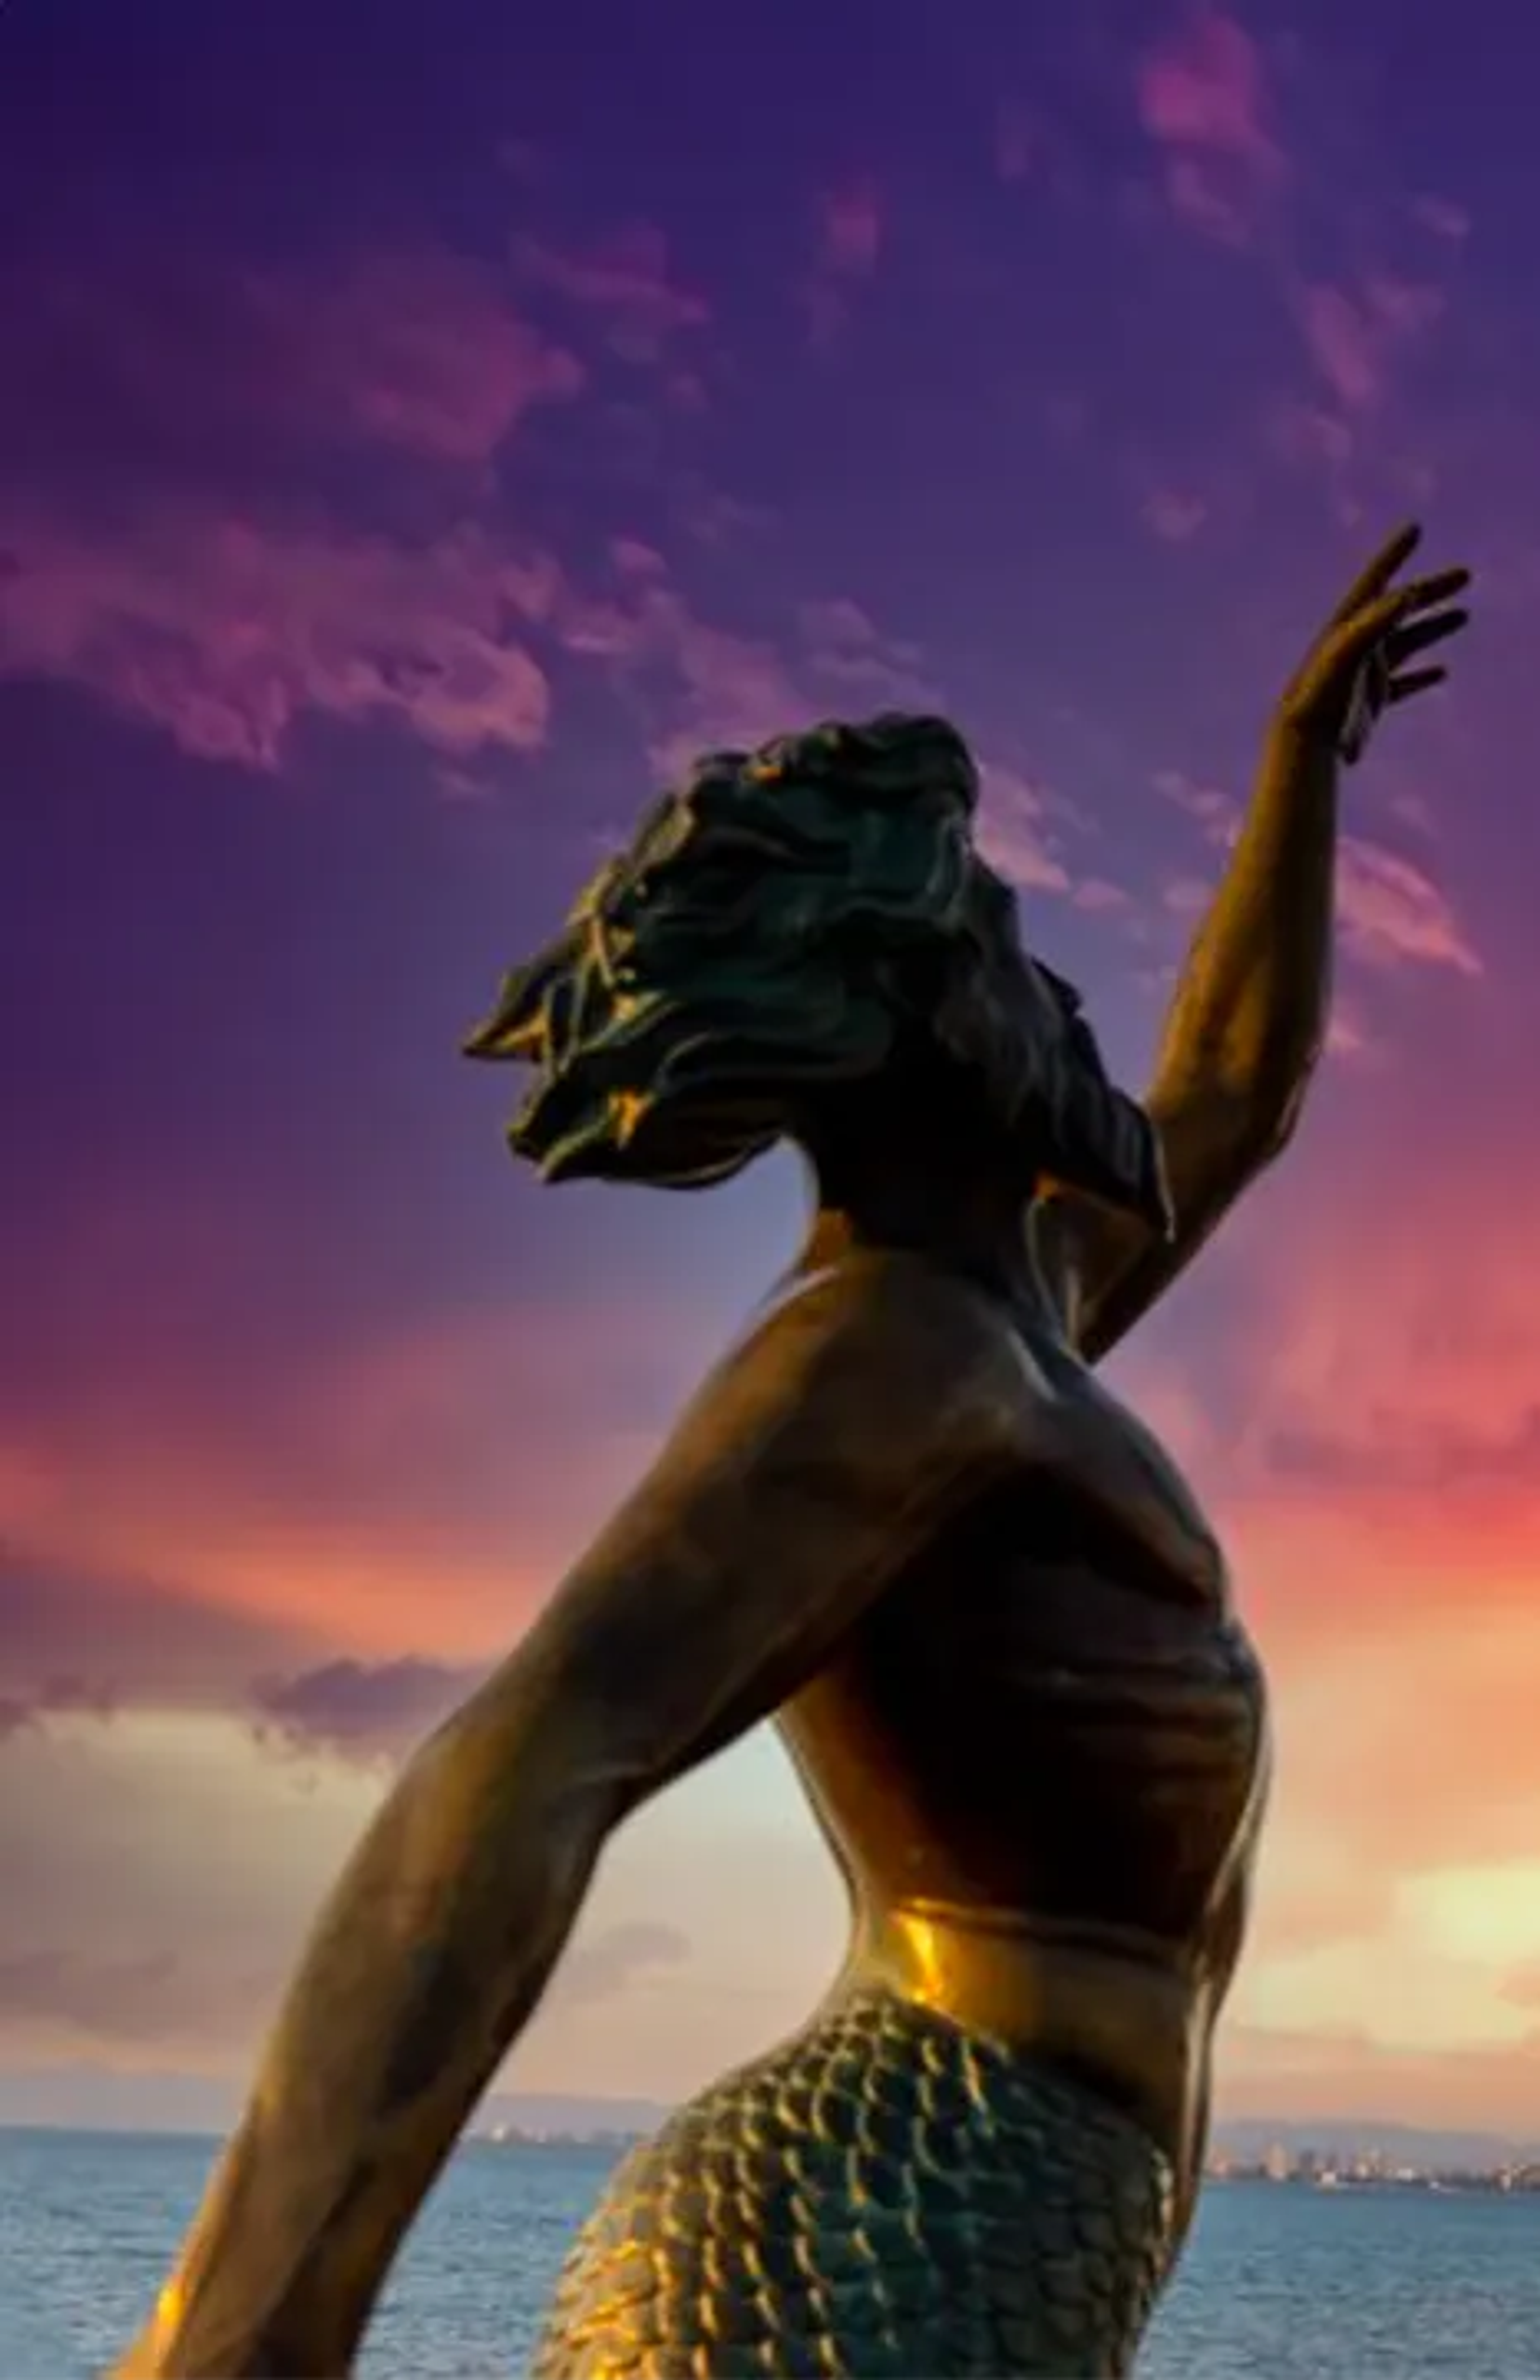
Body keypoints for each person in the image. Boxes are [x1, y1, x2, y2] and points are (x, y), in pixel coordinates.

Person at [111, 531, 1471, 2378]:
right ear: (930, 1008)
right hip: (892, 2218)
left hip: (980, 2192)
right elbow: (528, 1752)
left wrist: (1301, 770)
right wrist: (250, 2333)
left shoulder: (1013, 1317)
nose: (1049, 981)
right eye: (1000, 933)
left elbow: (1228, 1098)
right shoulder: (893, 1355)